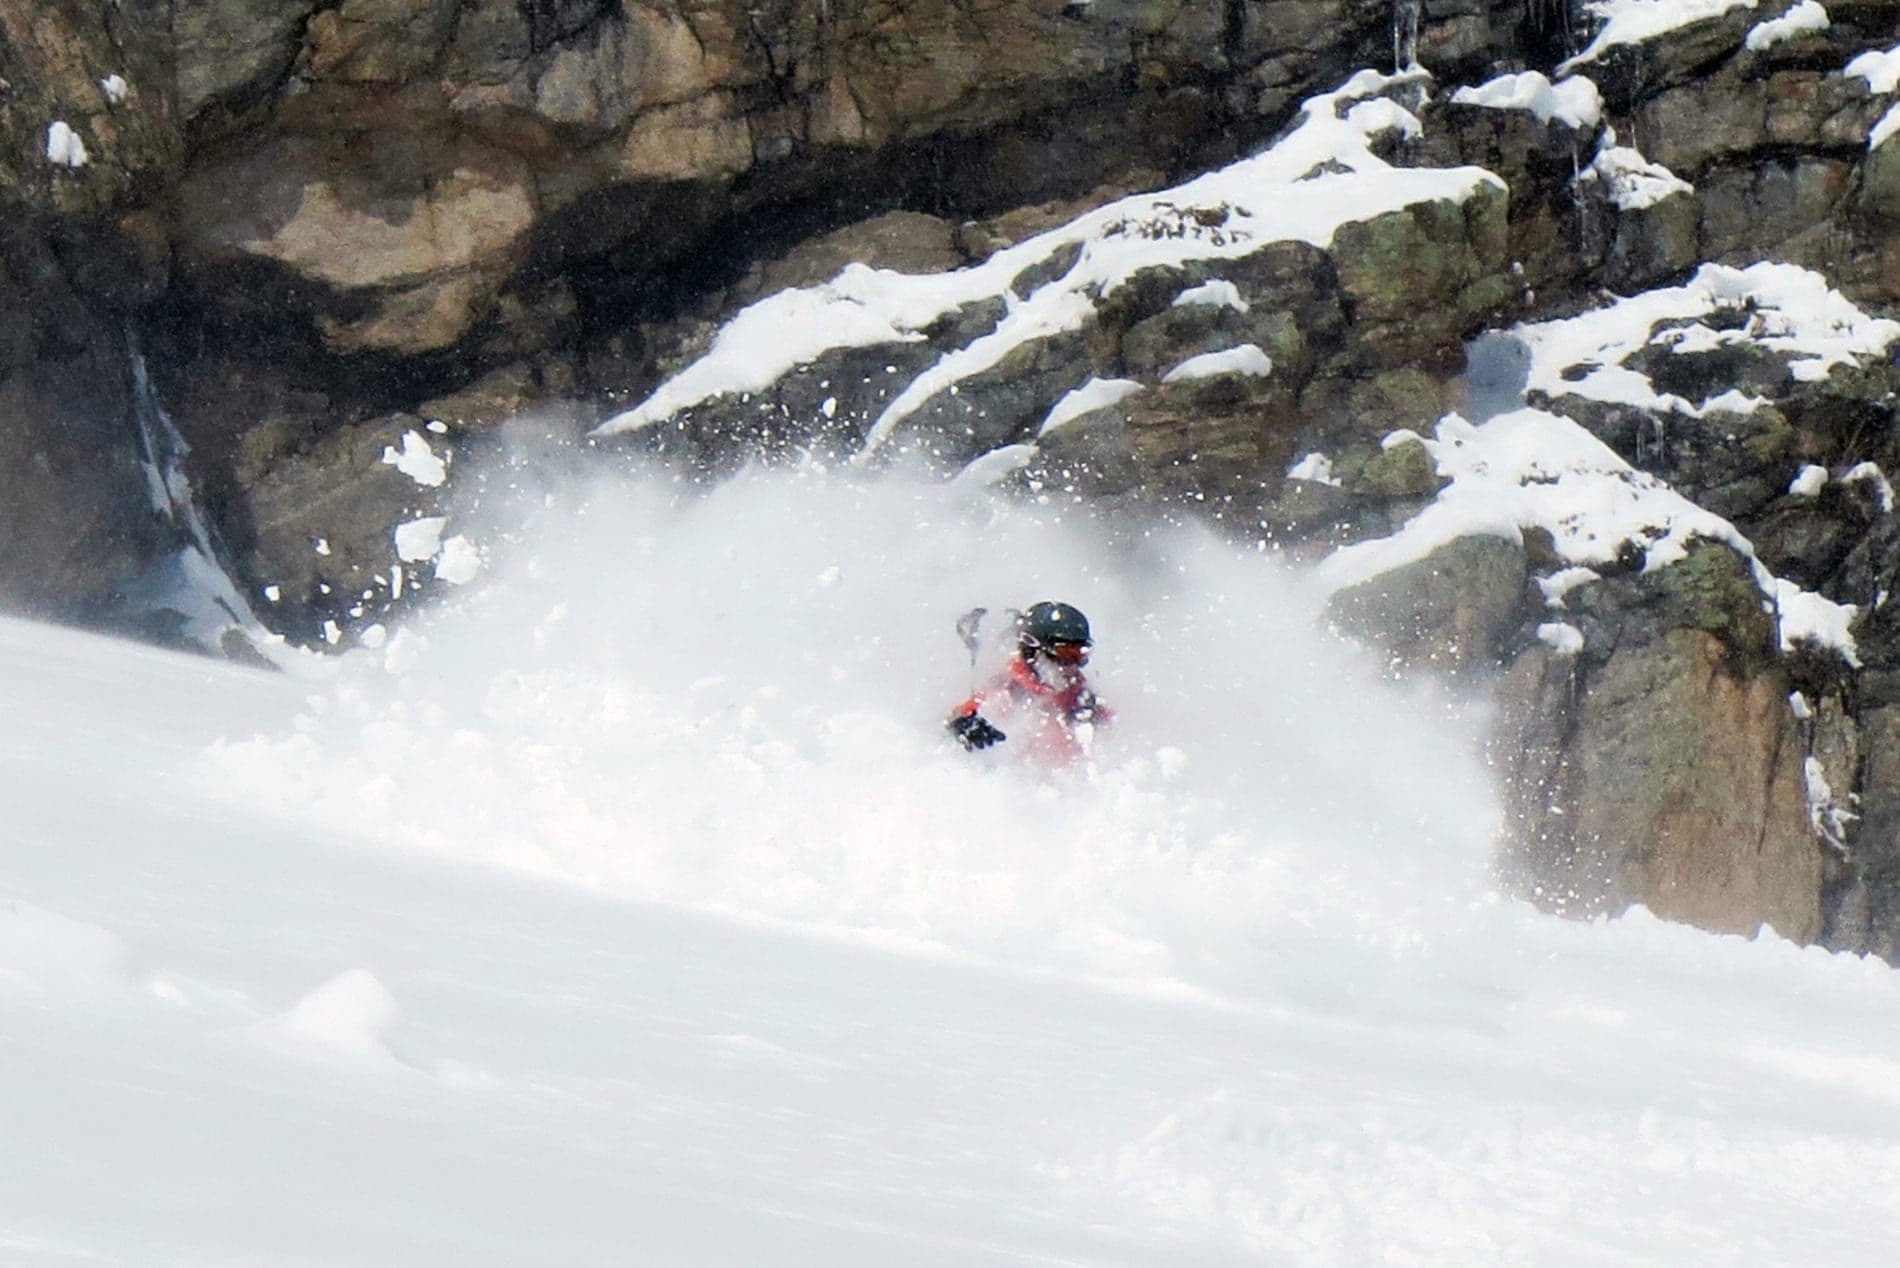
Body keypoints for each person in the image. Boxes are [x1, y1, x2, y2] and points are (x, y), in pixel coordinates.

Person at [948, 601, 1111, 767]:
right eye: (1065, 653)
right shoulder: (1008, 691)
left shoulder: (1081, 698)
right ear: (1034, 650)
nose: (1072, 665)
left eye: (1080, 654)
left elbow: (1116, 731)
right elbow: (958, 719)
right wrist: (963, 727)